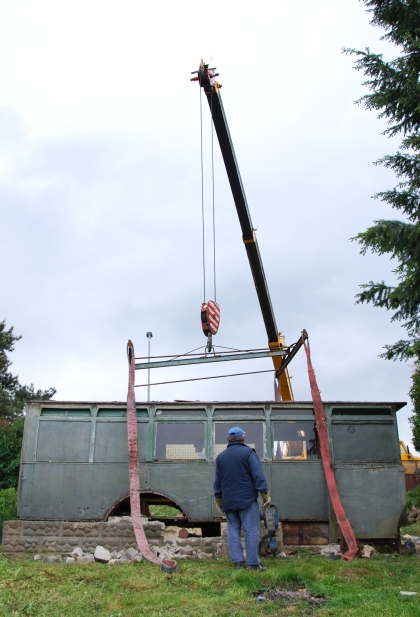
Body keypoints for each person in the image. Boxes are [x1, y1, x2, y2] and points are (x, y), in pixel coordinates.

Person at [213, 426, 271, 570]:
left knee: (233, 530)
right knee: (251, 530)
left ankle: (237, 562)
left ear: (228, 439)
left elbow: (218, 482)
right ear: (243, 438)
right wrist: (265, 495)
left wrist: (219, 499)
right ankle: (253, 563)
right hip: (247, 500)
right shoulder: (249, 453)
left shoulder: (221, 457)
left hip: (229, 501)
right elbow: (258, 475)